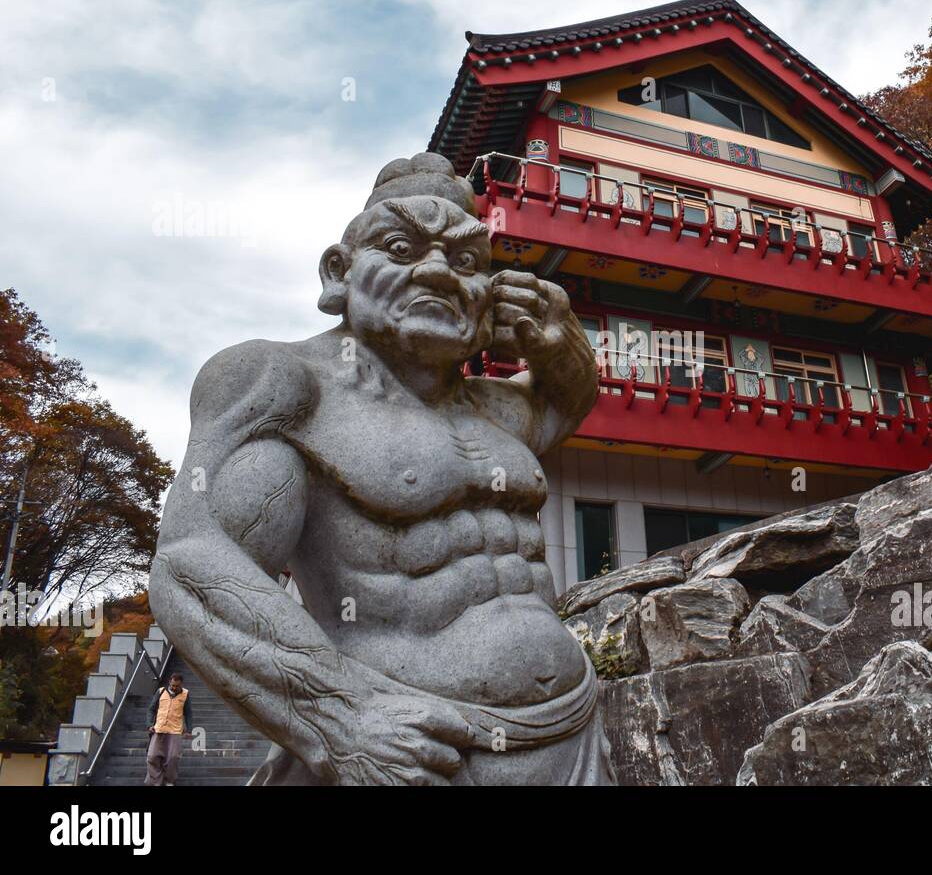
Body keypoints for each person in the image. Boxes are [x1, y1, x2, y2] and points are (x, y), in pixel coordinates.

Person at [149, 153, 609, 784]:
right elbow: (194, 557)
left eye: (467, 262)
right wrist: (342, 717)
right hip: (405, 745)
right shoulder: (286, 386)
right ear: (339, 273)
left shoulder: (500, 410)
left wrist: (564, 344)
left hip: (569, 730)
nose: (440, 273)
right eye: (401, 247)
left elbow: (568, 401)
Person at [145, 673, 192, 786]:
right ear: (169, 682)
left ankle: (169, 782)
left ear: (181, 684)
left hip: (175, 731)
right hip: (159, 728)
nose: (175, 688)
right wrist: (149, 724)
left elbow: (188, 713)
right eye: (173, 685)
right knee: (152, 756)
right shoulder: (160, 691)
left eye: (177, 686)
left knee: (173, 758)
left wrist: (189, 729)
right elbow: (151, 709)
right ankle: (156, 781)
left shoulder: (185, 694)